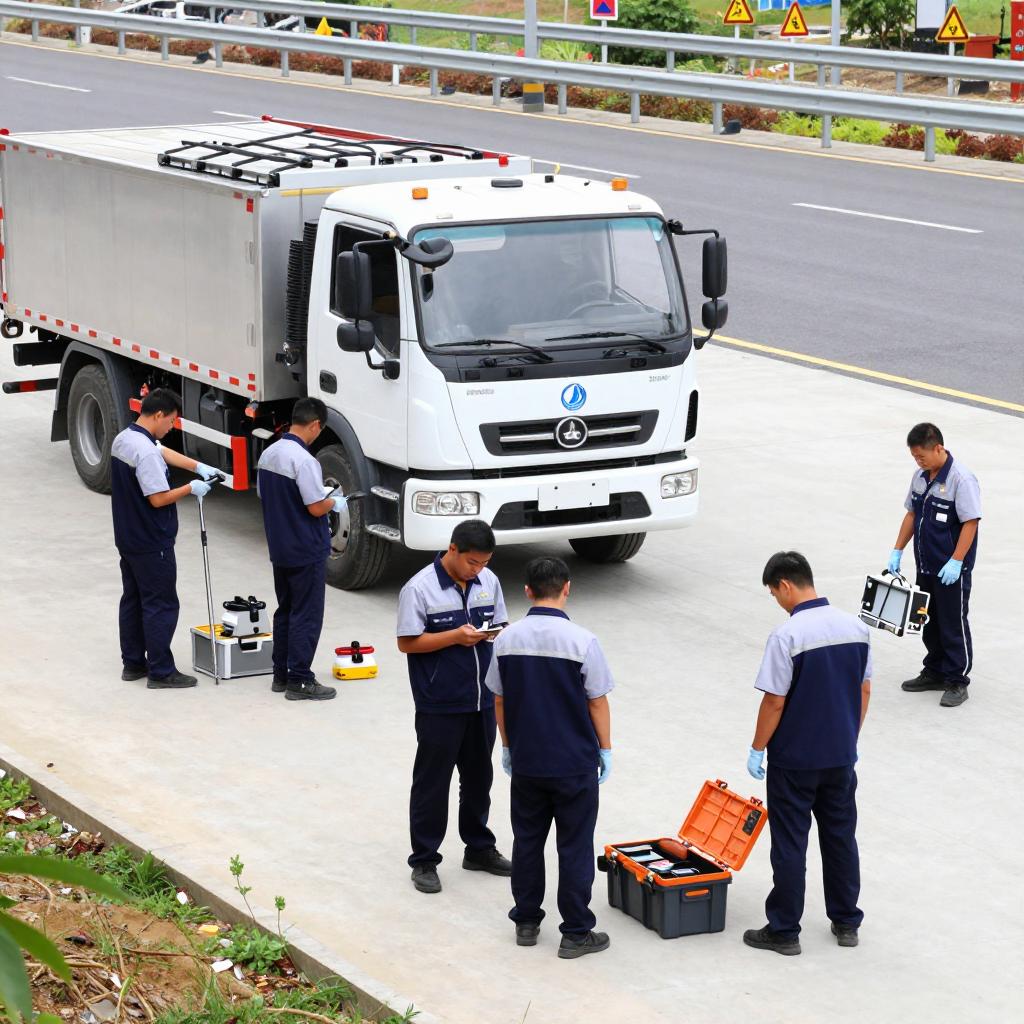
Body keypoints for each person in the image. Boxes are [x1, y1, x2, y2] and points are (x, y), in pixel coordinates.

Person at [484, 556, 614, 960]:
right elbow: (596, 702)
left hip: (527, 762)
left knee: (527, 842)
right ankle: (576, 932)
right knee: (574, 847)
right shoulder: (583, 641)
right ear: (567, 588)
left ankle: (526, 920)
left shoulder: (506, 640)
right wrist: (605, 750)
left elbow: (499, 699)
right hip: (573, 764)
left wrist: (507, 746)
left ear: (527, 591)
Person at [744, 551, 871, 956]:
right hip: (839, 756)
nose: (777, 601)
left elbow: (775, 702)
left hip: (795, 760)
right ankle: (846, 921)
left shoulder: (788, 636)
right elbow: (864, 690)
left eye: (773, 593)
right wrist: (849, 737)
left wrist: (757, 747)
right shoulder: (857, 627)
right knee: (840, 838)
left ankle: (784, 931)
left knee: (790, 844)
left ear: (784, 585)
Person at [396, 519, 511, 894]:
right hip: (439, 701)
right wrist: (454, 637)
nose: (478, 570)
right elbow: (408, 643)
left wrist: (488, 633)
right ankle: (424, 860)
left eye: (484, 563)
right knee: (433, 781)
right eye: (472, 562)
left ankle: (479, 848)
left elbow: (500, 624)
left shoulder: (488, 582)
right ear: (453, 549)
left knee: (479, 778)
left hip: (481, 699)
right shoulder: (419, 589)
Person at [111, 387, 218, 689]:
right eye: (171, 421)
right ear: (158, 415)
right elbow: (158, 499)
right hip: (151, 541)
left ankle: (133, 664)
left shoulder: (126, 439)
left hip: (128, 537)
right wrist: (191, 488)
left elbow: (160, 450)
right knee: (161, 604)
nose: (171, 427)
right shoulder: (144, 454)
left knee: (133, 599)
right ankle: (161, 671)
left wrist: (197, 466)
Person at [256, 397, 346, 702]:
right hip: (305, 549)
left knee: (286, 611)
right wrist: (334, 500)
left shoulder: (269, 454)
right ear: (315, 425)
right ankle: (300, 680)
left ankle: (280, 674)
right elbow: (316, 507)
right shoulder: (305, 461)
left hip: (280, 547)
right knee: (307, 615)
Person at [887, 423, 981, 709]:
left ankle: (956, 679)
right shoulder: (920, 477)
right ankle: (936, 670)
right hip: (926, 565)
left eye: (922, 456)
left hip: (950, 570)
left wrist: (956, 561)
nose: (918, 461)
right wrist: (897, 550)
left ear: (938, 447)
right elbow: (912, 515)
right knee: (928, 620)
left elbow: (970, 522)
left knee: (953, 622)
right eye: (915, 457)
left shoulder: (961, 480)